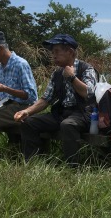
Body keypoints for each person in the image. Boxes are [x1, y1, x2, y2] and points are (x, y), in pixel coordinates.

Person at [14, 34, 97, 166]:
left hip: (83, 114)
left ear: (70, 52)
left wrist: (72, 78)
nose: (53, 55)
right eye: (52, 52)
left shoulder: (86, 69)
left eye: (57, 51)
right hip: (62, 113)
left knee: (67, 125)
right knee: (29, 122)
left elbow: (88, 94)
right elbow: (45, 99)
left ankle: (72, 167)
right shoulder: (57, 73)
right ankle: (32, 163)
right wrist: (27, 111)